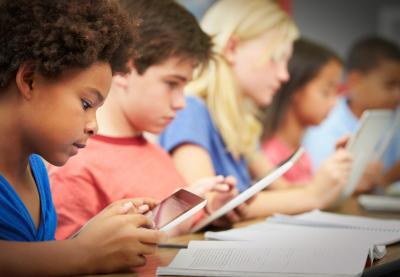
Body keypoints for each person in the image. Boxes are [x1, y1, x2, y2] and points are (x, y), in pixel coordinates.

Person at [0, 0, 166, 275]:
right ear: (30, 80)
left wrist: (89, 238)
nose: (94, 127)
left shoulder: (36, 170)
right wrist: (83, 253)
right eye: (87, 104)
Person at [49, 0, 237, 240]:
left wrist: (208, 210)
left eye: (184, 86)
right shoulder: (75, 164)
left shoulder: (154, 153)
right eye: (172, 84)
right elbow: (71, 258)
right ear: (127, 70)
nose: (181, 102)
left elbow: (169, 231)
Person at [160, 0, 352, 218]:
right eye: (275, 59)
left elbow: (285, 190)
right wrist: (314, 195)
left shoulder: (238, 123)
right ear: (232, 48)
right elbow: (205, 206)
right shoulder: (190, 109)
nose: (284, 75)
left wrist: (331, 181)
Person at [303, 36, 400, 191]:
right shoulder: (324, 120)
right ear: (355, 81)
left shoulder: (392, 120)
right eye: (389, 85)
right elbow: (318, 183)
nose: (398, 95)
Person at [261, 38, 343, 184]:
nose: (334, 103)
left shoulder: (300, 152)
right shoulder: (268, 154)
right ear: (296, 89)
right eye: (326, 92)